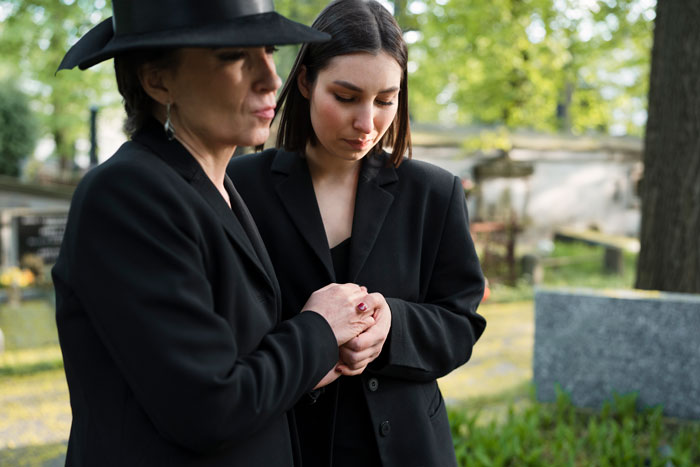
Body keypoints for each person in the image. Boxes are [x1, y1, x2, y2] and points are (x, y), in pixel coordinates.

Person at [52, 1, 386, 465]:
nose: (271, 79)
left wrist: (325, 351)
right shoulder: (128, 193)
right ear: (157, 80)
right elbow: (207, 407)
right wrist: (319, 331)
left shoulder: (218, 187)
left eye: (268, 52)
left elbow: (239, 360)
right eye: (234, 56)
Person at [227, 1, 487, 466]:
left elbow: (460, 325)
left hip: (407, 449)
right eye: (346, 97)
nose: (367, 124)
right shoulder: (240, 187)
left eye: (386, 100)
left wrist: (393, 327)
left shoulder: (434, 192)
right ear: (305, 82)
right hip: (287, 444)